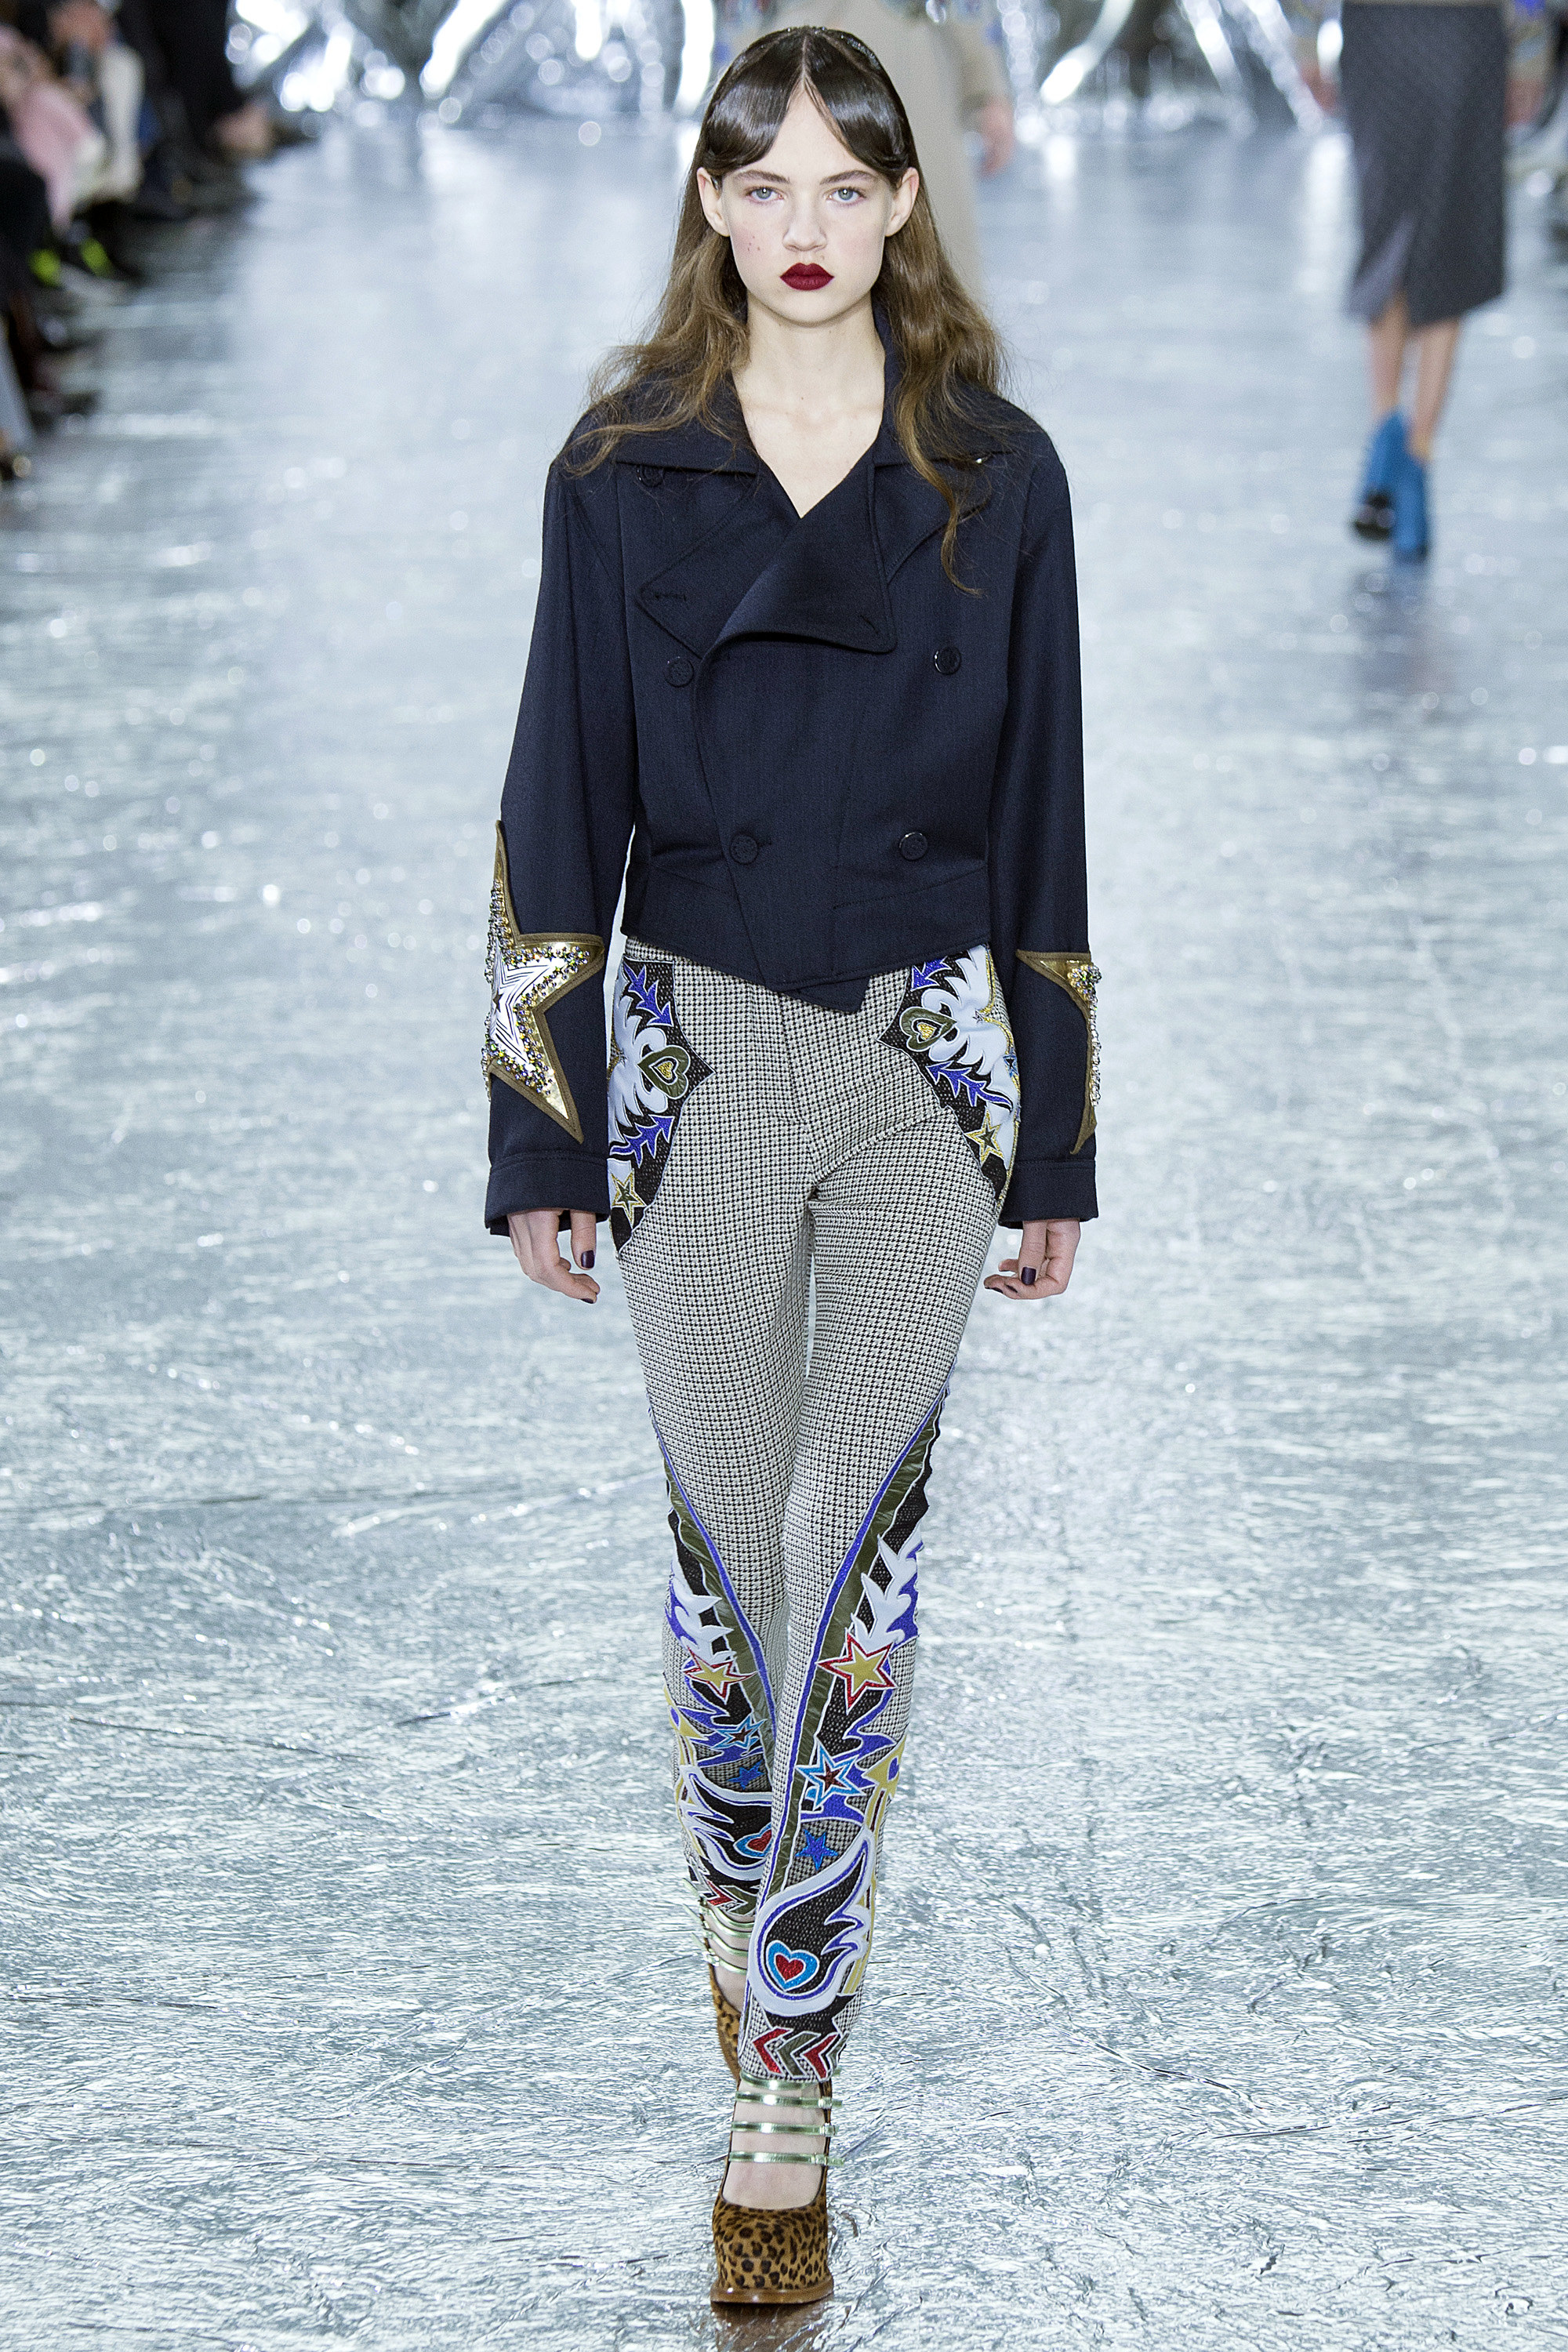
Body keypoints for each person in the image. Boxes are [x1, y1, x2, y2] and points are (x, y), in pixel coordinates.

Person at [482, 27, 1097, 2307]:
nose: (808, 223)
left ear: (906, 204)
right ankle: (751, 1981)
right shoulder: (619, 472)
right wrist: (536, 1122)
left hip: (928, 1055)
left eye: (851, 181)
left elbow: (1044, 801)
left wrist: (1061, 1133)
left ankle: (788, 2073)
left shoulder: (997, 473)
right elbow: (556, 790)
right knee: (731, 1578)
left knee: (853, 1555)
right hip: (701, 1055)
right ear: (712, 207)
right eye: (766, 185)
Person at [1341, 0, 1508, 561]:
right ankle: (1414, 459)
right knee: (1447, 237)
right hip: (1462, 30)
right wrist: (1532, 49)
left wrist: (1306, 34)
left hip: (1382, 28)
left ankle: (1387, 441)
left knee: (1387, 227)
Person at [722, 0, 1014, 294]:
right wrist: (735, 81)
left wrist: (986, 84)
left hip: (907, 61)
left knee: (929, 242)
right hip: (791, 60)